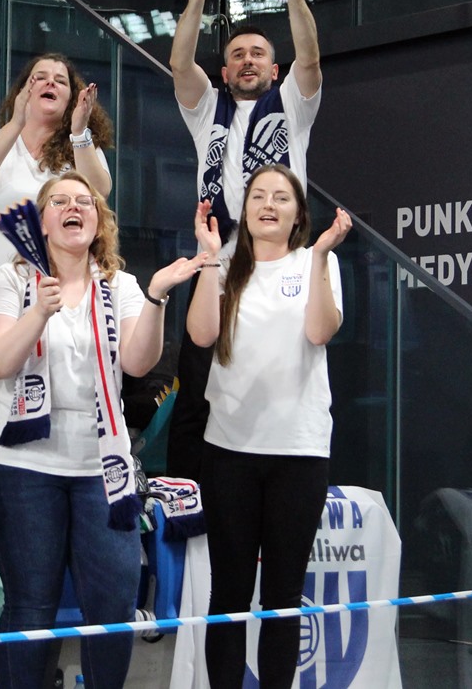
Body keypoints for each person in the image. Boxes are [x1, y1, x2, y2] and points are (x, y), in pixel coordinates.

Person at [0, 174, 207, 689]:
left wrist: (156, 297)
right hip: (18, 464)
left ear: (98, 222)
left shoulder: (120, 284)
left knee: (114, 602)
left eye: (85, 201)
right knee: (31, 604)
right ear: (41, 222)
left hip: (102, 465)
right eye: (59, 201)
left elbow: (138, 363)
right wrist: (39, 311)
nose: (73, 207)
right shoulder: (12, 279)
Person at [166, 0, 324, 482]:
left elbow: (310, 59)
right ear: (225, 71)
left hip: (279, 264)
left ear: (274, 71)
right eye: (237, 54)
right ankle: (186, 501)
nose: (247, 60)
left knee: (273, 384)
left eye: (258, 53)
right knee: (197, 391)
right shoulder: (206, 108)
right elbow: (179, 63)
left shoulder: (294, 106)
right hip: (216, 262)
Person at [185, 165, 350, 689]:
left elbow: (320, 331)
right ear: (245, 209)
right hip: (229, 450)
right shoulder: (225, 263)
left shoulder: (317, 261)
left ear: (299, 214)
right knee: (229, 595)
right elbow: (201, 336)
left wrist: (319, 256)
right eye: (258, 196)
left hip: (299, 453)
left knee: (283, 596)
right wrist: (208, 258)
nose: (268, 205)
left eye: (281, 197)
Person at [0, 54, 112, 411]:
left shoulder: (80, 149)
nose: (50, 82)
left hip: (57, 298)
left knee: (46, 410)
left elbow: (99, 193)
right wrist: (16, 122)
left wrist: (79, 133)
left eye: (61, 80)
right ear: (22, 91)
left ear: (72, 98)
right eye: (39, 77)